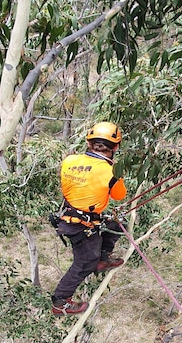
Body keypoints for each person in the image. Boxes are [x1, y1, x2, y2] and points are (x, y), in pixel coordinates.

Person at [51, 121, 127, 315]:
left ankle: (102, 259)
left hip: (71, 216)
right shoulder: (111, 171)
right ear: (116, 146)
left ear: (88, 142)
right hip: (80, 224)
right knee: (85, 262)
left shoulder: (70, 160)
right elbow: (119, 196)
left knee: (115, 224)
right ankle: (60, 301)